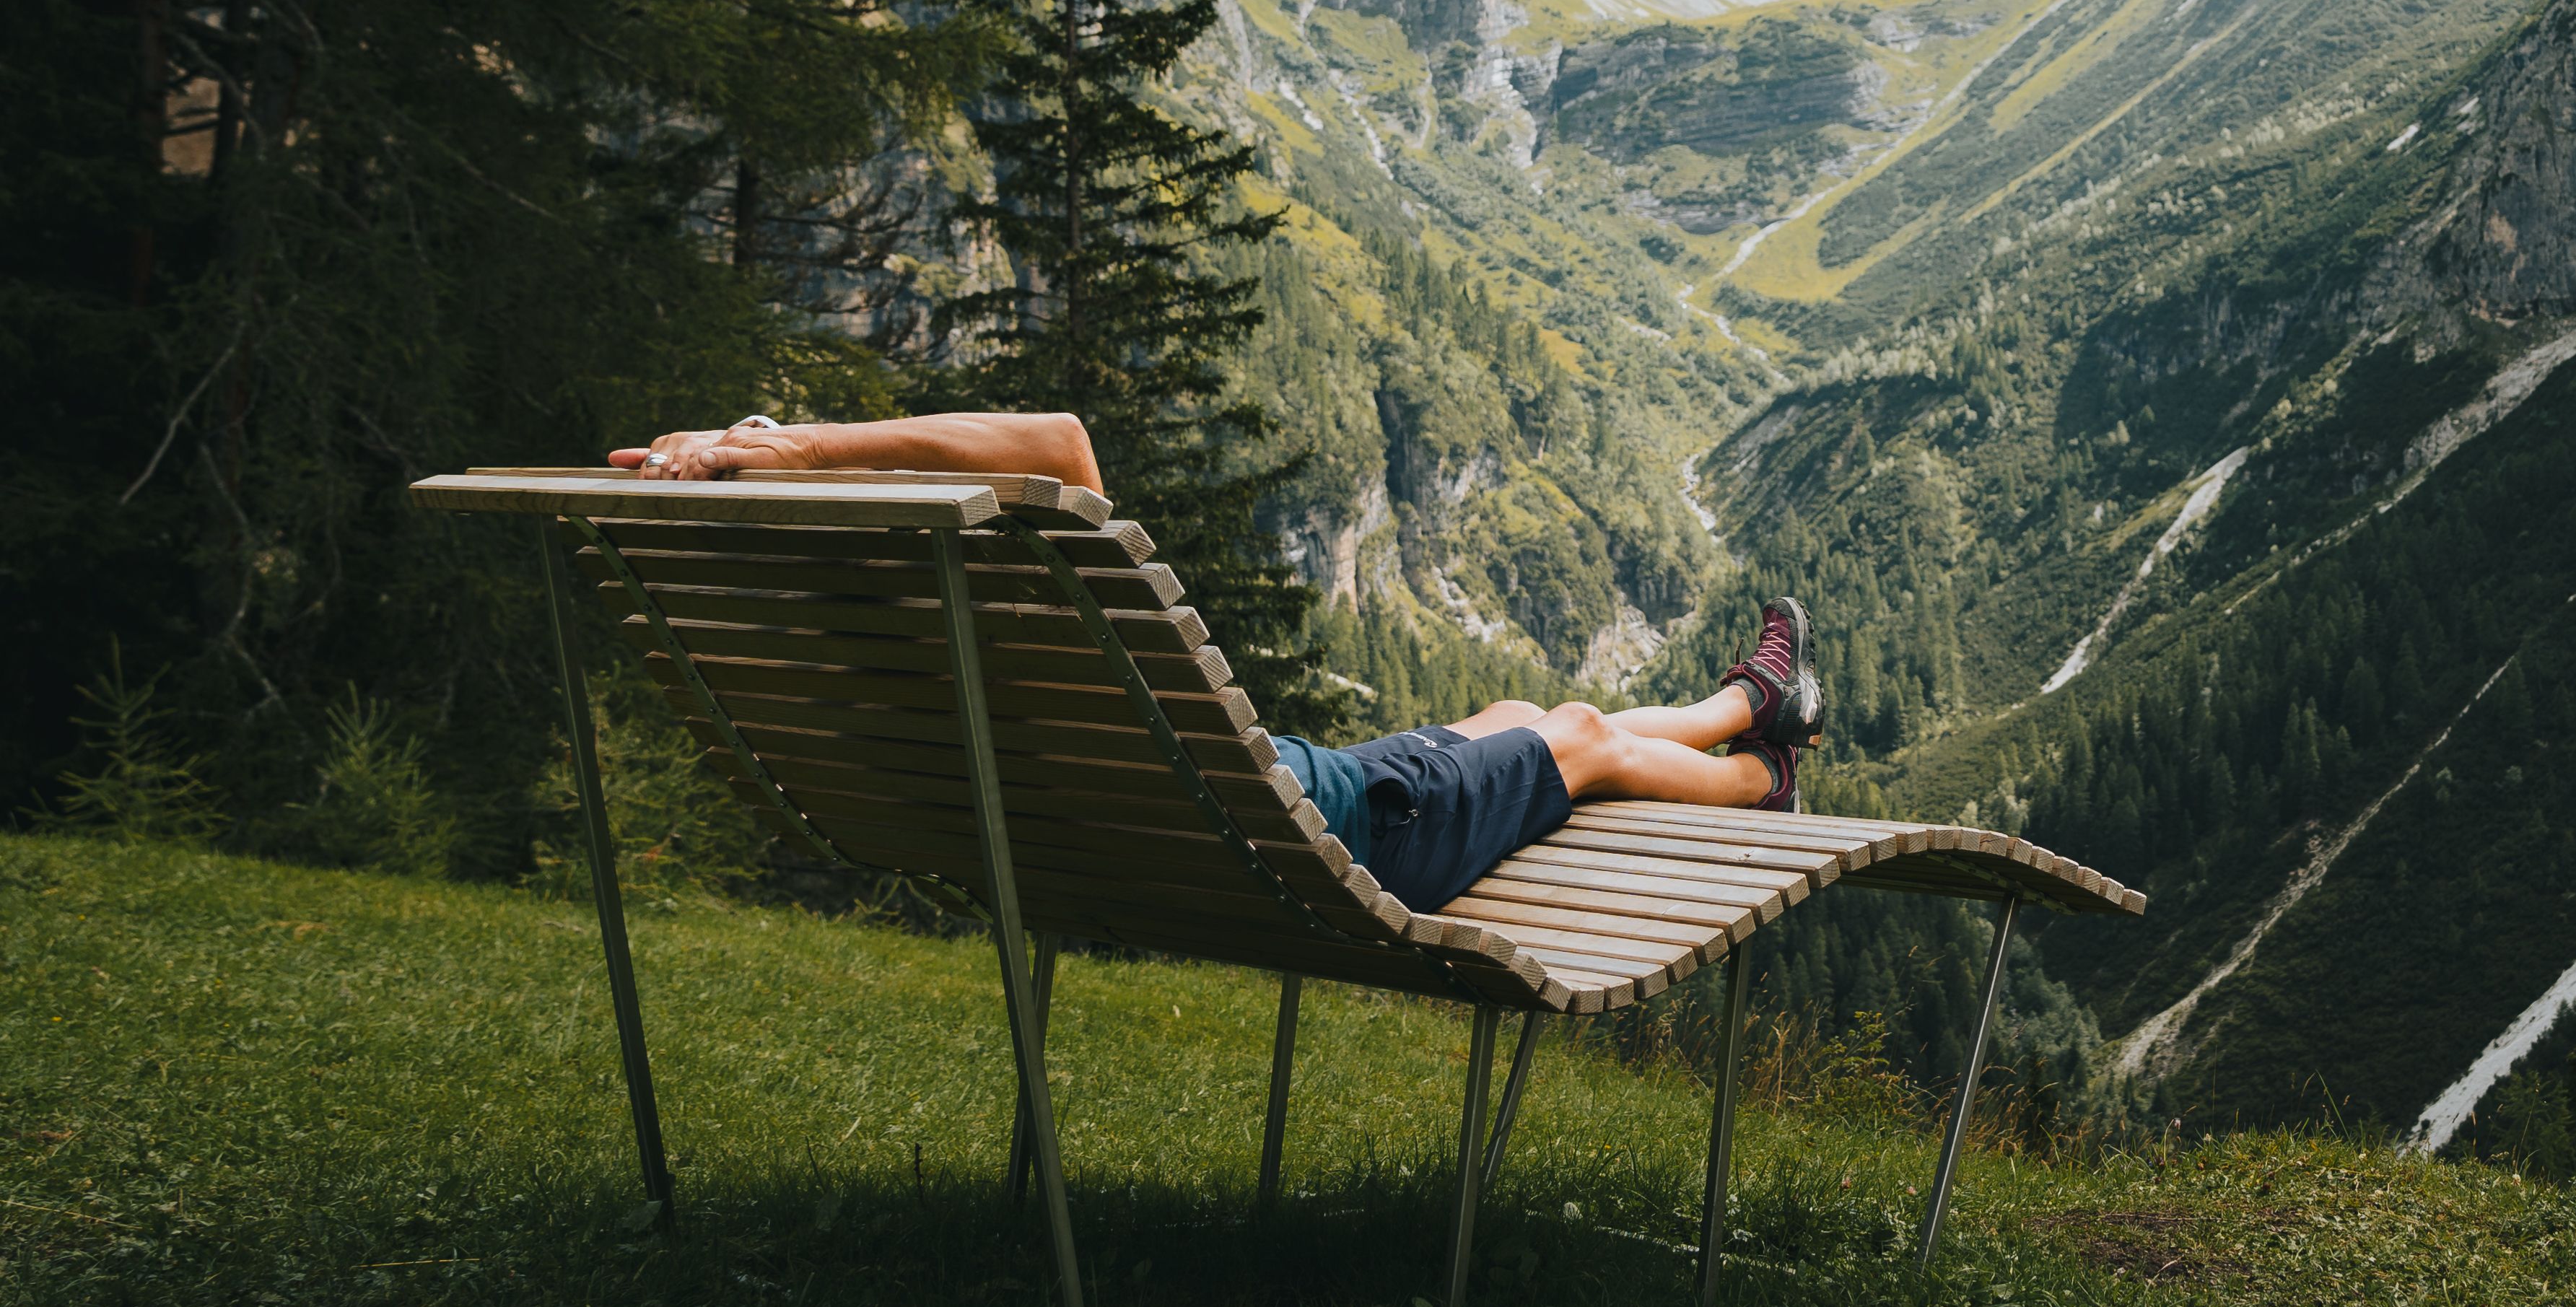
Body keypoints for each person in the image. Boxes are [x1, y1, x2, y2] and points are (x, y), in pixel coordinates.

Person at [612, 410, 1822, 911]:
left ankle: (1745, 700)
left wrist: (751, 468)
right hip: (1344, 829)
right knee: (1582, 738)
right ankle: (1765, 770)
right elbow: (1058, 439)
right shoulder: (1039, 636)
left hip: (1243, 823)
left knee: (1520, 707)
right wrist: (796, 447)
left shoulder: (916, 694)